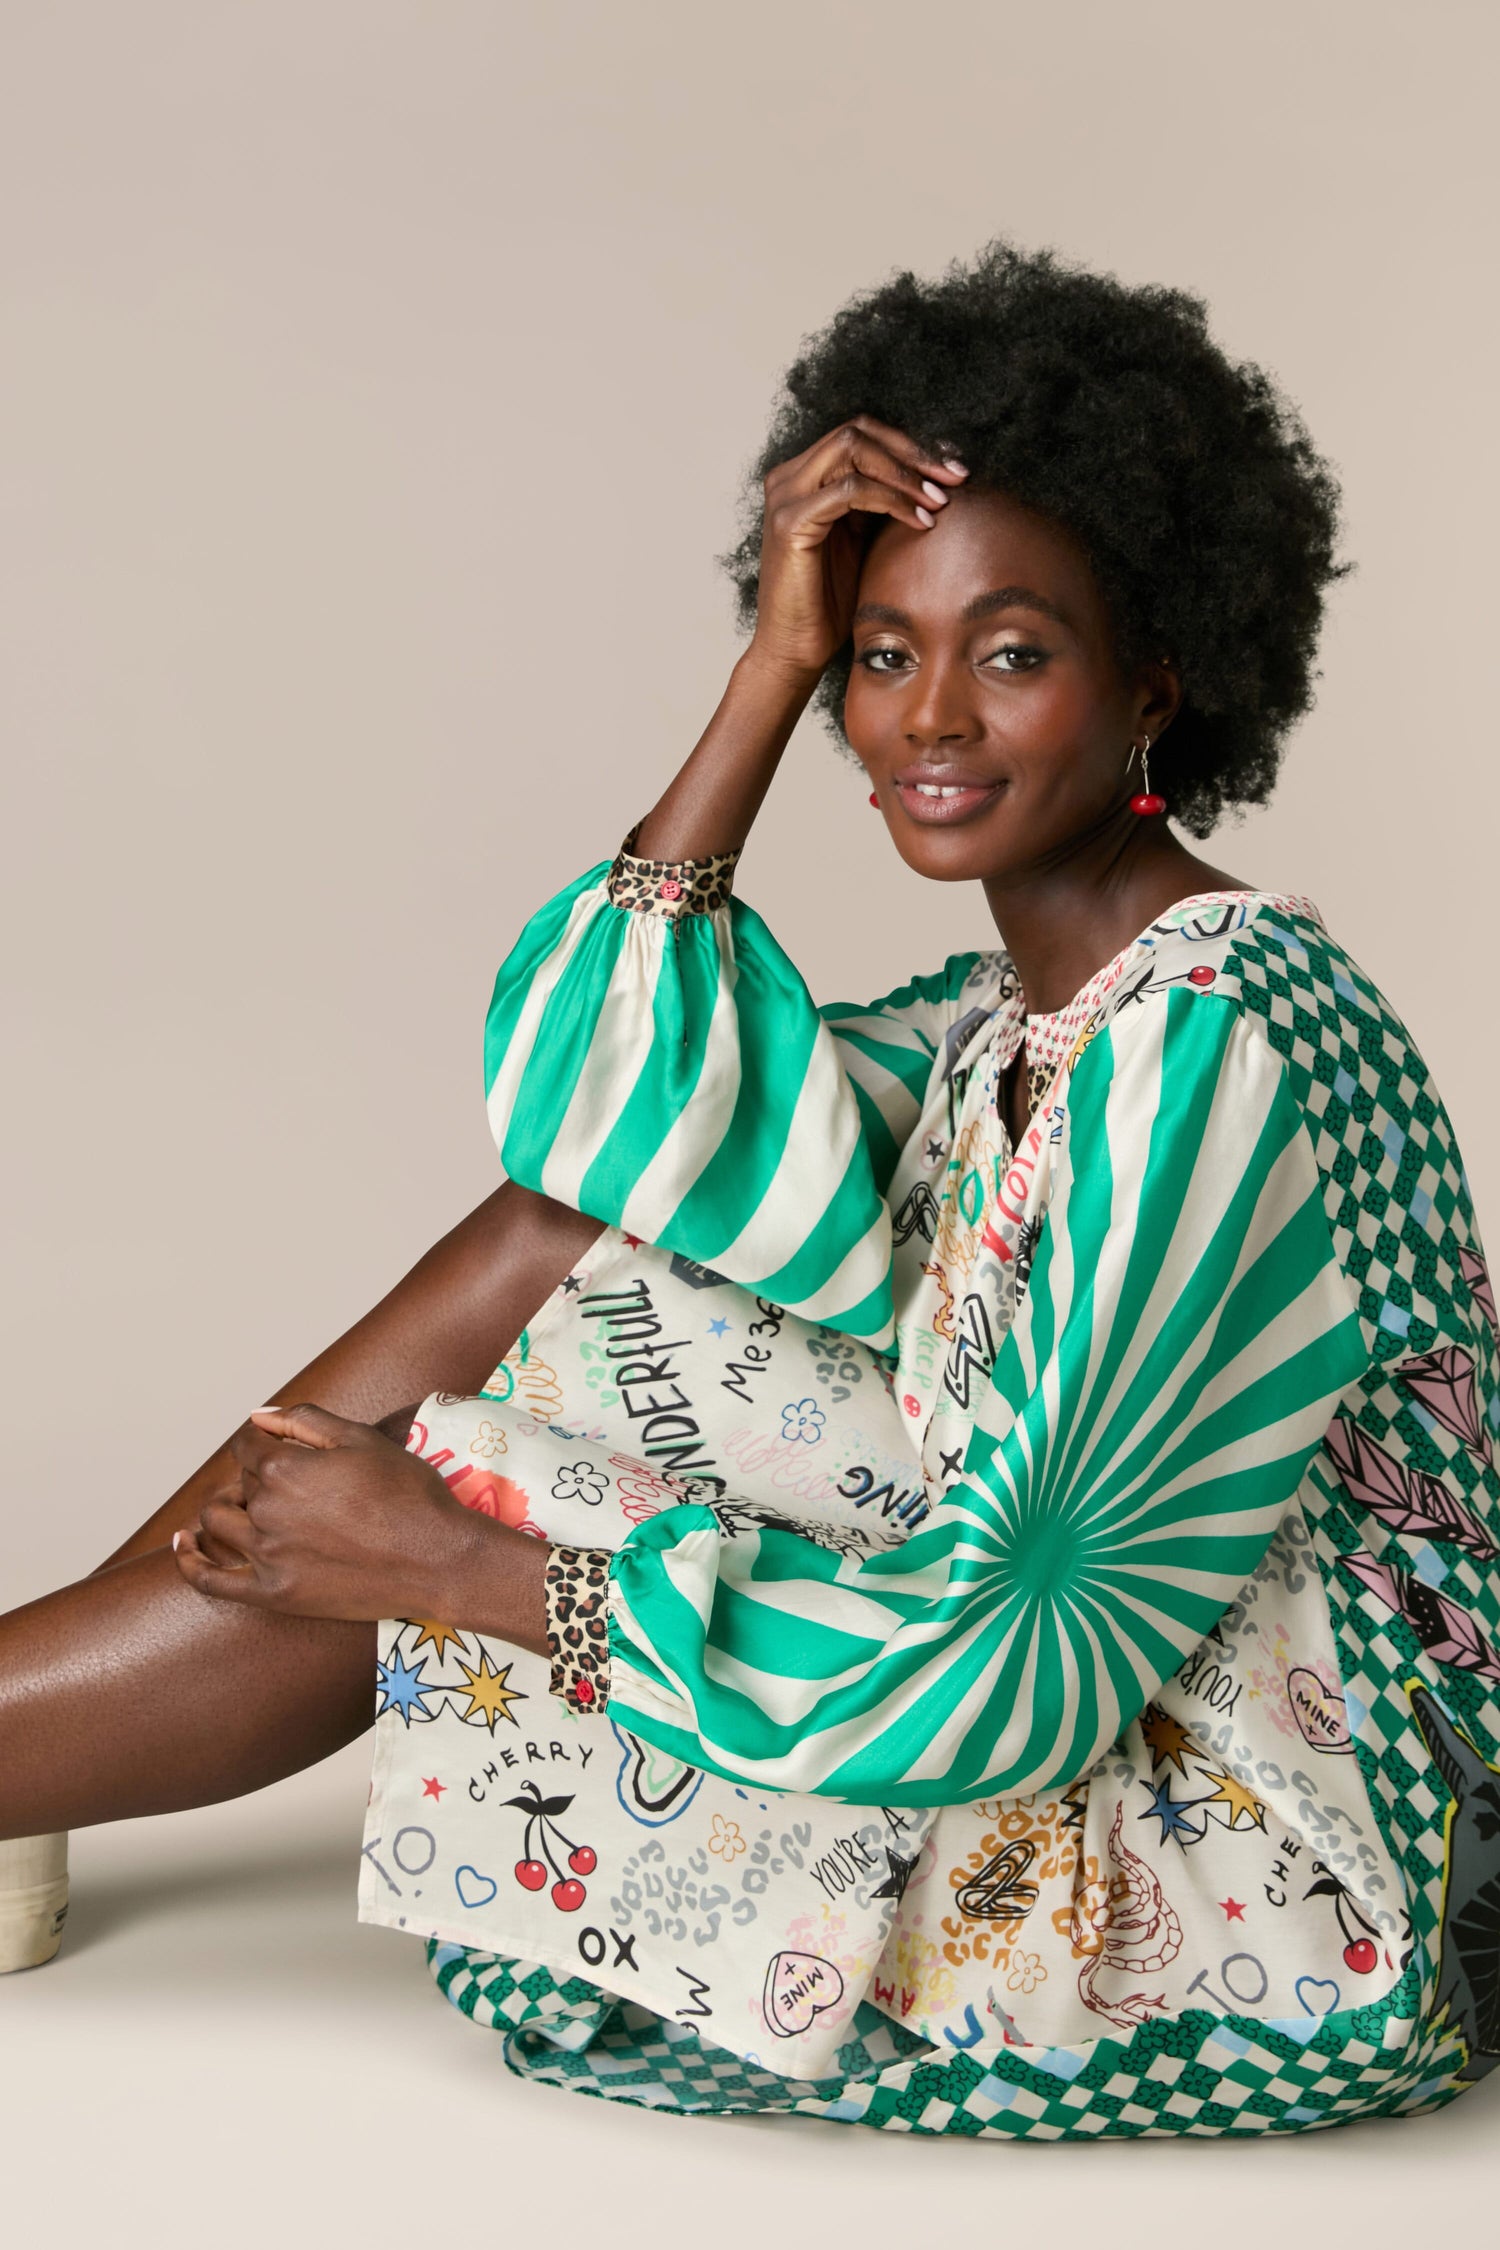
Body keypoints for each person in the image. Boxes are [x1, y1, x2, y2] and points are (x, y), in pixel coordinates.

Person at [4, 242, 1498, 2138]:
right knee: (580, 1239)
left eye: (1012, 651)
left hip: (1258, 1857)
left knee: (476, 1467)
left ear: (1159, 685)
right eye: (886, 652)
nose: (931, 717)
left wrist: (458, 1564)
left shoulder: (1219, 1039)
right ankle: (28, 1736)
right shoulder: (1016, 1021)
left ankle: (18, 1747)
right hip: (1055, 1672)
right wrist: (770, 670)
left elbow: (1025, 1653)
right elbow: (588, 1123)